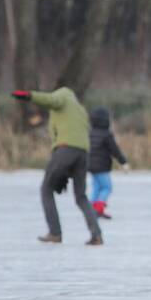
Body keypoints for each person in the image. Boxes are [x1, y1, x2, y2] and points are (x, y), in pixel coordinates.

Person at [11, 87, 103, 246]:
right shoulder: (80, 109)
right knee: (81, 196)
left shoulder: (63, 96)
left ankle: (55, 233)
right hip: (83, 153)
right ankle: (97, 235)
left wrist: (29, 95)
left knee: (46, 189)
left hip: (65, 149)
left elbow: (50, 100)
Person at [87, 107, 130, 220]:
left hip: (90, 166)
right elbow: (115, 150)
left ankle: (92, 210)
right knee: (107, 187)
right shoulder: (107, 135)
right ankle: (98, 209)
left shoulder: (89, 133)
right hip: (102, 167)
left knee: (96, 187)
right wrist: (123, 162)